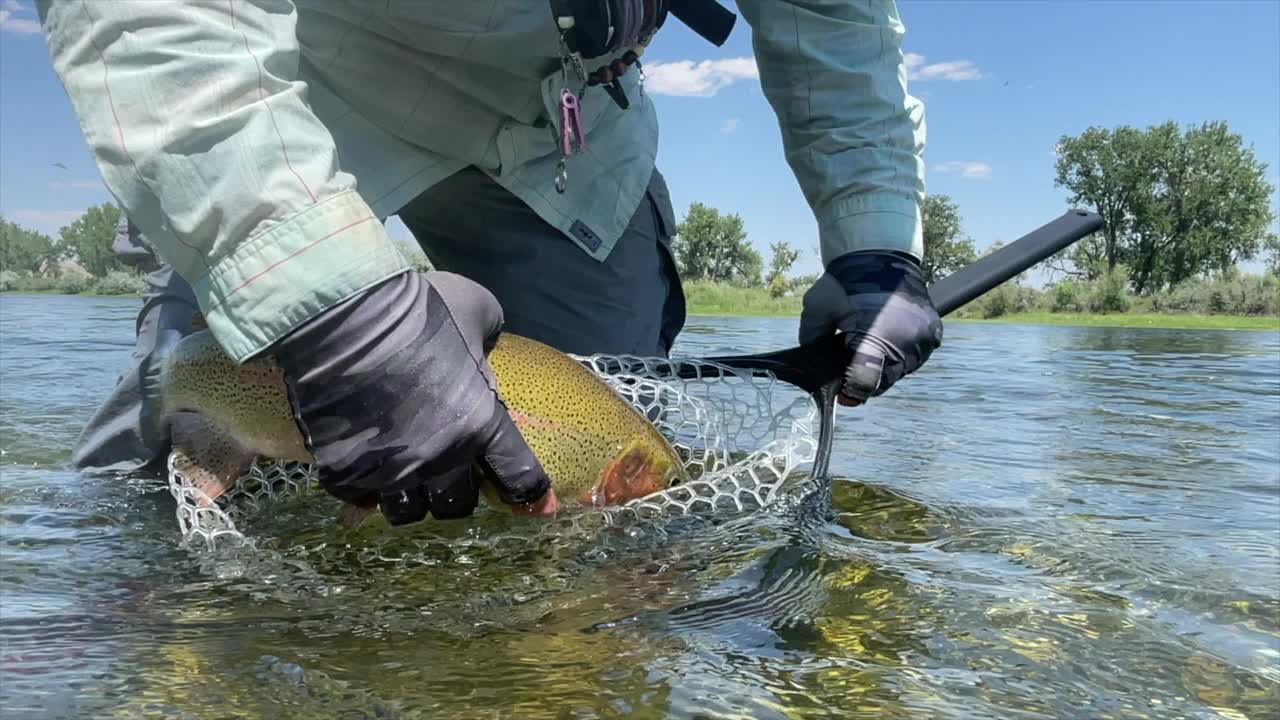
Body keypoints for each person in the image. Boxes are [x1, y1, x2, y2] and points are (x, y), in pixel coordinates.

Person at [38, 1, 942, 526]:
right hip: (299, 80)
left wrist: (874, 236)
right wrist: (316, 296)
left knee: (598, 545)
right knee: (173, 430)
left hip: (562, 127)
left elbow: (834, 19)